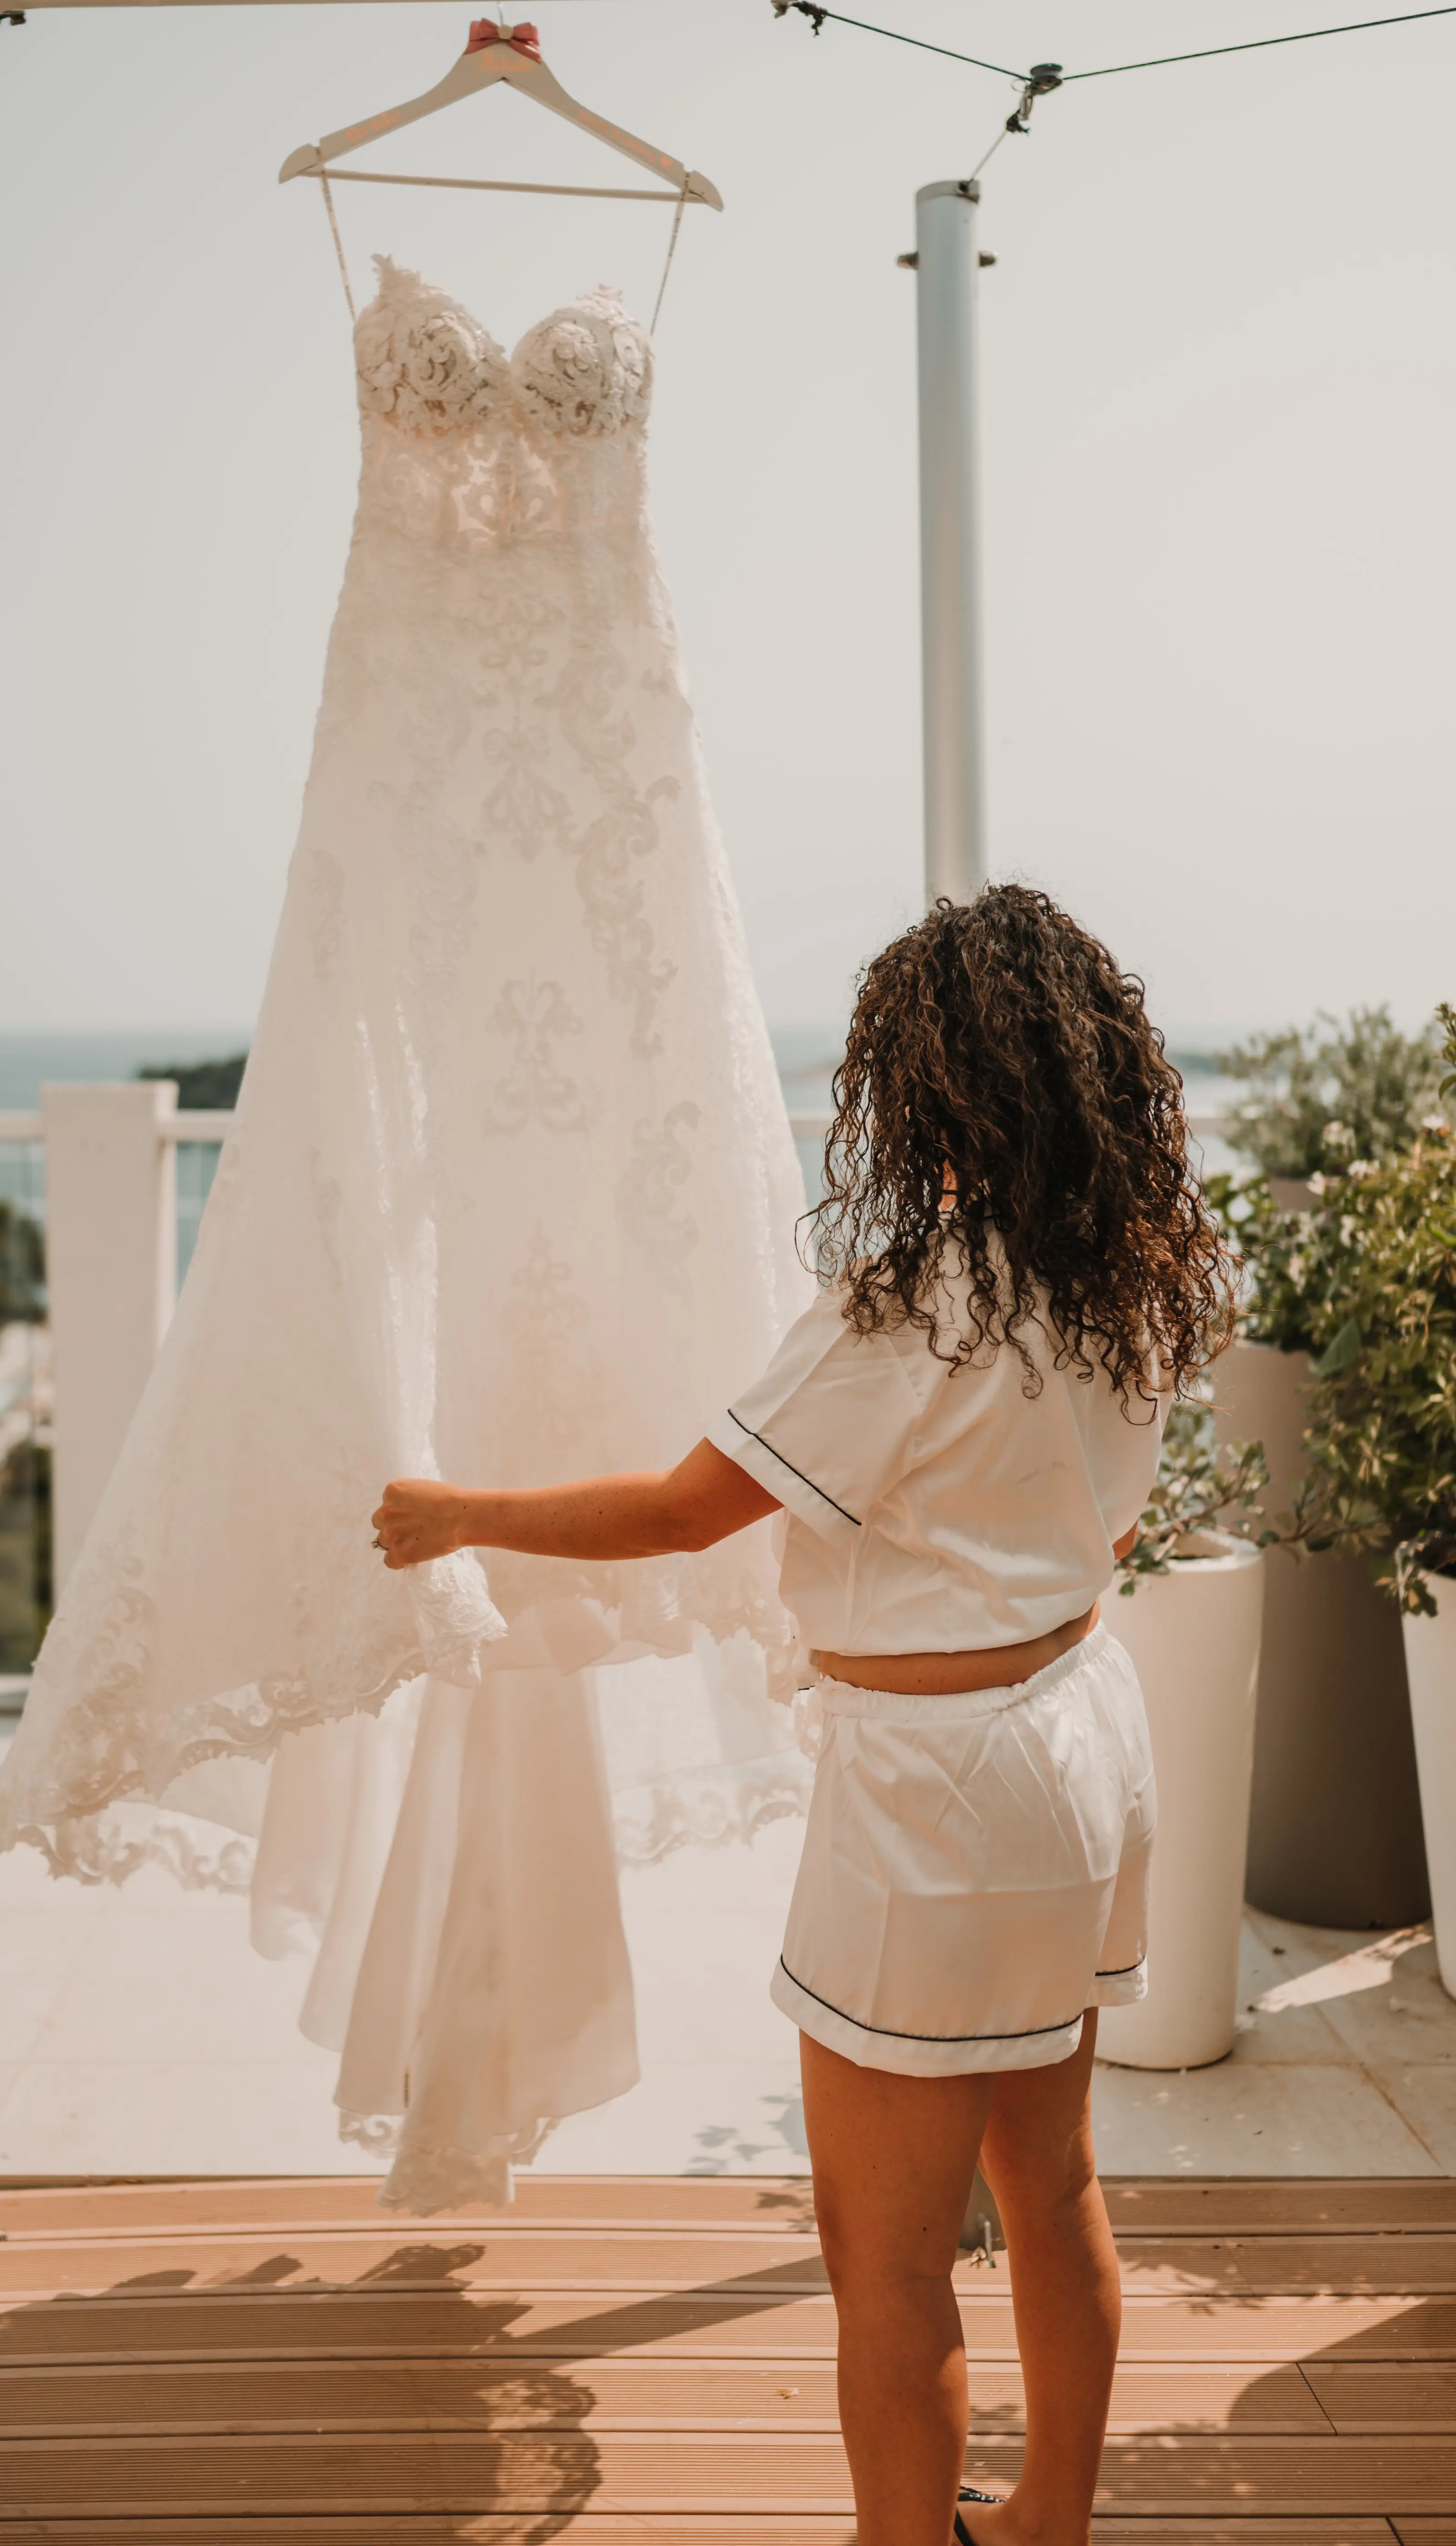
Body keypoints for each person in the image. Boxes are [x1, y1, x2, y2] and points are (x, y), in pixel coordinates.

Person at [373, 884, 1230, 2545]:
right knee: (1050, 2186)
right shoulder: (1125, 1279)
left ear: (927, 1088)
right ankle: (1046, 2523)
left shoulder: (912, 1308)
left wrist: (457, 1509)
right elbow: (1106, 1522)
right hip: (1082, 1733)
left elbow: (687, 1511)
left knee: (888, 2255)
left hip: (945, 1792)